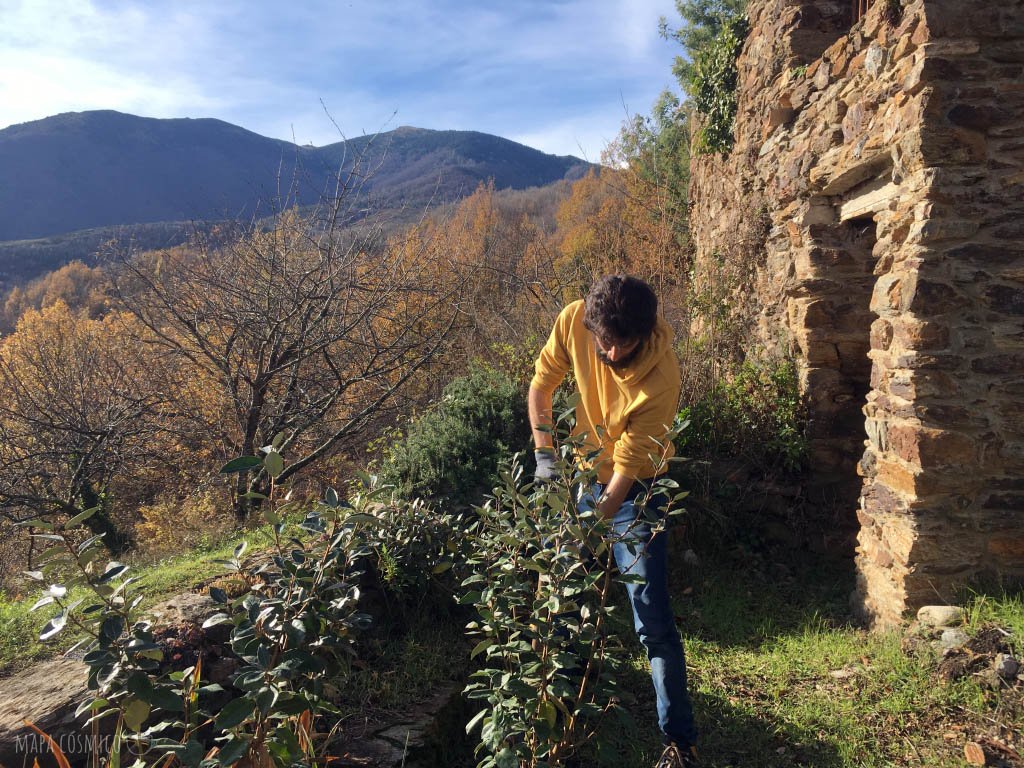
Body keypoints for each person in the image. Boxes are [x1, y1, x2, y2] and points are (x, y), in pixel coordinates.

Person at [528, 274, 699, 768]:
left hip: (636, 492)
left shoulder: (660, 379)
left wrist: (587, 533)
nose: (607, 352)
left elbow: (624, 477)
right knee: (557, 600)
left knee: (652, 620)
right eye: (601, 341)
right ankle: (554, 729)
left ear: (641, 337)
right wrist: (546, 460)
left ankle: (680, 743)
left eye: (619, 346)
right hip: (580, 477)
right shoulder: (575, 319)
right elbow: (541, 386)